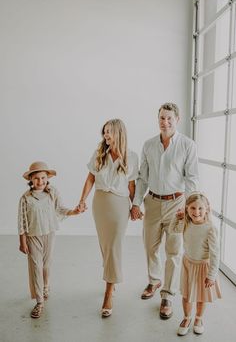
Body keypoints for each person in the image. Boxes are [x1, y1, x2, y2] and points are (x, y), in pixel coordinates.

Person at [130, 102, 199, 319]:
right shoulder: (149, 145)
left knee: (174, 251)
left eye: (169, 118)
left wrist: (188, 207)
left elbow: (192, 179)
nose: (165, 122)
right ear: (157, 119)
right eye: (162, 118)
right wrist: (135, 203)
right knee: (150, 246)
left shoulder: (187, 145)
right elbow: (142, 177)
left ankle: (168, 295)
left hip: (177, 205)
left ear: (177, 120)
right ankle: (154, 280)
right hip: (152, 202)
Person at [77, 118, 139, 318]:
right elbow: (90, 178)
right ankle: (111, 276)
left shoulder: (131, 156)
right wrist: (82, 200)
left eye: (109, 131)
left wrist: (136, 206)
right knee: (105, 246)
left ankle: (109, 292)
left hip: (120, 206)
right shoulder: (99, 154)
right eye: (104, 132)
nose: (106, 135)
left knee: (113, 246)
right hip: (100, 204)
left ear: (119, 133)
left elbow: (131, 186)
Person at [18, 161, 80, 318]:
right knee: (36, 268)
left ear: (47, 178)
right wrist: (22, 241)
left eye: (43, 178)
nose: (40, 181)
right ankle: (39, 302)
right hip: (33, 236)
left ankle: (46, 286)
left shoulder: (52, 193)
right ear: (31, 180)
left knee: (46, 266)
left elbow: (60, 209)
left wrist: (74, 211)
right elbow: (22, 221)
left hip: (49, 233)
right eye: (37, 178)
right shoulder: (26, 198)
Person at [174, 192, 222, 336]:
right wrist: (177, 218)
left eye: (200, 208)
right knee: (187, 295)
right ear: (187, 208)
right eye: (193, 208)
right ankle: (187, 318)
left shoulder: (210, 229)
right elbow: (173, 230)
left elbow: (215, 254)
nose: (196, 212)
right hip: (188, 264)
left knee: (201, 296)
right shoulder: (186, 223)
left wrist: (212, 275)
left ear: (207, 208)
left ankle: (198, 319)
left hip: (203, 267)